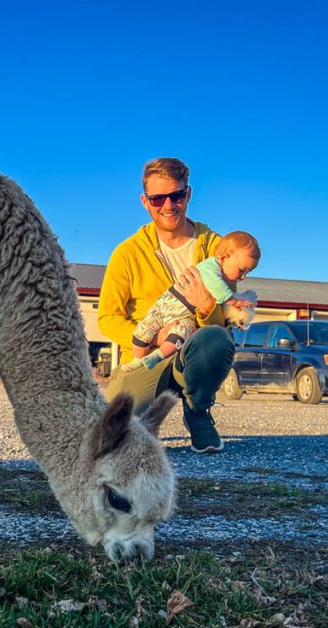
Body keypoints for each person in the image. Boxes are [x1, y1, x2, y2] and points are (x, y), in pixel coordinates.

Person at [97, 156, 238, 453]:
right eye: (158, 198)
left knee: (216, 338)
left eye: (176, 195)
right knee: (117, 442)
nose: (168, 206)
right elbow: (107, 318)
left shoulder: (216, 247)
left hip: (193, 353)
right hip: (146, 357)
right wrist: (151, 336)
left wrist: (206, 307)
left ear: (188, 194)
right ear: (145, 202)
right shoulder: (127, 253)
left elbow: (227, 319)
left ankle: (198, 410)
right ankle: (144, 414)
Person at [123, 231, 260, 372]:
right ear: (224, 257)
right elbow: (218, 288)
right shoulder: (211, 267)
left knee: (182, 333)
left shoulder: (225, 282)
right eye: (242, 270)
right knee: (144, 328)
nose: (243, 277)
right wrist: (233, 300)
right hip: (168, 305)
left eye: (247, 273)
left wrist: (234, 319)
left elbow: (219, 311)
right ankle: (137, 360)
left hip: (184, 316)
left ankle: (156, 356)